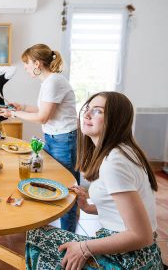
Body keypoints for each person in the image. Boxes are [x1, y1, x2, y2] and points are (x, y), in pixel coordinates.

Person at [25, 91, 163, 270]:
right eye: (87, 108)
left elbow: (141, 235)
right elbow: (125, 209)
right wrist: (88, 207)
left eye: (97, 111)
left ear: (116, 119)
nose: (87, 114)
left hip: (131, 259)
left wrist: (84, 248)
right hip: (137, 251)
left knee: (37, 236)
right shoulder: (122, 151)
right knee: (38, 234)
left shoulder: (114, 162)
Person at [0, 44, 79, 232]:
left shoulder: (54, 82)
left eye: (26, 64)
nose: (25, 68)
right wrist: (21, 107)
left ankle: (68, 237)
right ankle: (53, 230)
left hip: (63, 140)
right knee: (52, 183)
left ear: (37, 63)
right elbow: (43, 110)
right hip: (55, 138)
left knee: (67, 189)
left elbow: (43, 117)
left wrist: (14, 115)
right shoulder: (49, 82)